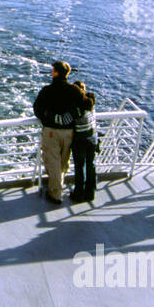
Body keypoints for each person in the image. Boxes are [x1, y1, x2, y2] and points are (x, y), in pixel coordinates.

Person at [33, 60, 83, 205]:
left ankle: (55, 194)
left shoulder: (47, 90)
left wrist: (50, 118)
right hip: (69, 132)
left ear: (55, 72)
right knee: (63, 163)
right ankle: (57, 187)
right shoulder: (75, 91)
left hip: (51, 132)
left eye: (52, 70)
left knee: (53, 162)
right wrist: (68, 118)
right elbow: (82, 107)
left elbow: (37, 109)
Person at [69, 82, 98, 203]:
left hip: (80, 140)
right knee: (90, 165)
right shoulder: (90, 102)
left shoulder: (76, 107)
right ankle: (90, 193)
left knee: (79, 167)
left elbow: (68, 120)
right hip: (92, 138)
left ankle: (78, 193)